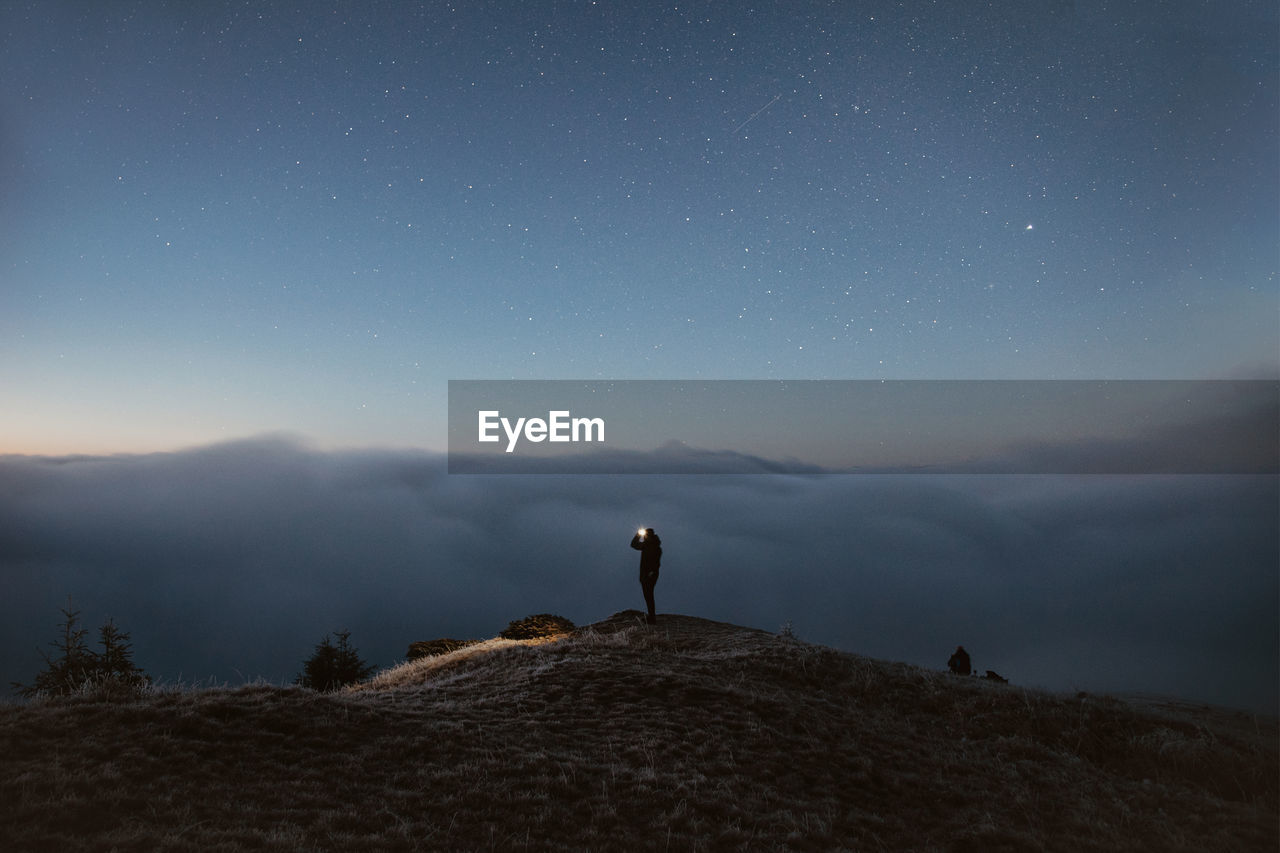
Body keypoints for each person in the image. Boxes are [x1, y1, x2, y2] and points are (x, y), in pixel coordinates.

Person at [630, 527, 662, 624]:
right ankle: (651, 617)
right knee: (648, 596)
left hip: (649, 575)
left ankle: (652, 618)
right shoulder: (652, 545)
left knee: (649, 596)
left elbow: (656, 563)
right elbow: (633, 545)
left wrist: (638, 535)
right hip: (649, 575)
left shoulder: (651, 546)